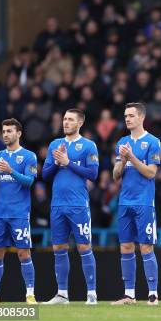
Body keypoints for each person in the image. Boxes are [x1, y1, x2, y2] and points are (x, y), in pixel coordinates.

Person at [42, 109, 99, 305]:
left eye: (70, 120)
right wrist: (57, 163)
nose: (65, 122)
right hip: (57, 204)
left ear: (80, 123)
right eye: (64, 119)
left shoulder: (88, 146)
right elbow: (45, 175)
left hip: (78, 205)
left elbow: (93, 174)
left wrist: (68, 162)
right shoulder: (55, 145)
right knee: (58, 247)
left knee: (84, 246)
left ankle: (91, 293)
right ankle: (62, 294)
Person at [0, 119, 38, 305]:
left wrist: (11, 170)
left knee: (24, 253)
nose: (5, 134)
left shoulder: (29, 156)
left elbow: (29, 181)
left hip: (19, 213)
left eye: (9, 131)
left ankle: (30, 294)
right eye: (3, 131)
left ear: (18, 134)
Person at [112, 103, 161, 305]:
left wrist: (131, 157)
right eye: (125, 116)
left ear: (141, 117)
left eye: (131, 115)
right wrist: (123, 161)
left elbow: (151, 172)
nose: (128, 119)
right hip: (125, 202)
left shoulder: (152, 142)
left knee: (146, 247)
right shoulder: (122, 142)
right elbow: (115, 176)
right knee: (125, 247)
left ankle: (153, 294)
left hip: (144, 202)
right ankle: (129, 294)